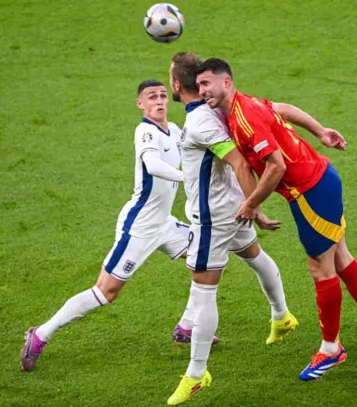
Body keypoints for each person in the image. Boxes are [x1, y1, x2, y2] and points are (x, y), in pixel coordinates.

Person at [195, 58, 357, 381]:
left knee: (322, 268)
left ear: (226, 82)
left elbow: (275, 166)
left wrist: (251, 205)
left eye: (206, 84)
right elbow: (283, 108)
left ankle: (332, 349)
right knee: (341, 259)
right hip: (319, 180)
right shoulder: (241, 106)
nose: (202, 90)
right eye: (198, 86)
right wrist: (320, 131)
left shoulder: (244, 115)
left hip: (310, 192)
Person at [20, 79, 214, 372]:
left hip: (166, 223)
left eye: (163, 96)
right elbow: (153, 166)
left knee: (207, 260)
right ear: (140, 104)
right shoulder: (145, 131)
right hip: (139, 227)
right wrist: (187, 176)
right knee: (106, 292)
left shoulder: (174, 131)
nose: (160, 101)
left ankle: (187, 326)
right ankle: (40, 334)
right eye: (152, 97)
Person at [166, 52, 298, 405]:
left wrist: (255, 205)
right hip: (231, 207)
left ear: (177, 85)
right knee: (255, 256)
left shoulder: (200, 123)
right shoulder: (215, 111)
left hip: (214, 216)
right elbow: (279, 109)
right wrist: (249, 205)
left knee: (203, 287)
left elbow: (238, 161)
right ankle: (281, 315)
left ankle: (197, 373)